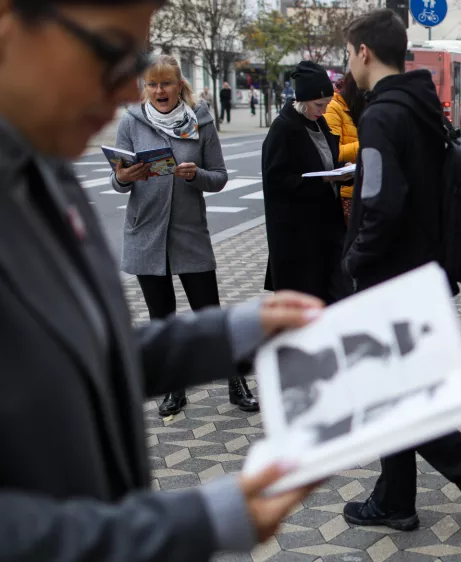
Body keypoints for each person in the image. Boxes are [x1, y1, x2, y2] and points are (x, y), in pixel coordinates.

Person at [0, 0, 327, 558]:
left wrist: (234, 334)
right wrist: (191, 525)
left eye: (140, 65)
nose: (132, 93)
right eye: (109, 52)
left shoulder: (43, 165)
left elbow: (84, 356)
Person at [340, 9, 461, 542]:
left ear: (364, 52)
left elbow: (380, 202)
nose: (348, 63)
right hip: (422, 269)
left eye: (349, 53)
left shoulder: (379, 116)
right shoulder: (420, 106)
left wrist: (354, 259)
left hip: (389, 276)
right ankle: (395, 499)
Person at [111, 55, 257, 416]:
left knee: (209, 315)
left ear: (180, 85)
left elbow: (219, 176)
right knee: (163, 319)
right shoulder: (131, 121)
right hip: (145, 232)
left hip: (189, 230)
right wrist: (124, 178)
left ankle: (236, 383)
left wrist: (196, 175)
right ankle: (174, 389)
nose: (159, 91)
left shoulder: (201, 121)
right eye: (152, 84)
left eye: (166, 83)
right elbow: (118, 179)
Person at [262, 61, 348, 305]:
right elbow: (277, 180)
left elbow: (326, 161)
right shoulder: (284, 128)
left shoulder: (318, 122)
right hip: (298, 237)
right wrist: (324, 178)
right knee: (306, 304)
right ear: (303, 99)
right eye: (319, 104)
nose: (323, 109)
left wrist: (340, 173)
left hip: (325, 230)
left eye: (327, 104)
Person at [323, 71, 366, 222]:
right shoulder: (334, 107)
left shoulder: (359, 110)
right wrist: (367, 144)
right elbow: (333, 153)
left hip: (363, 191)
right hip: (346, 195)